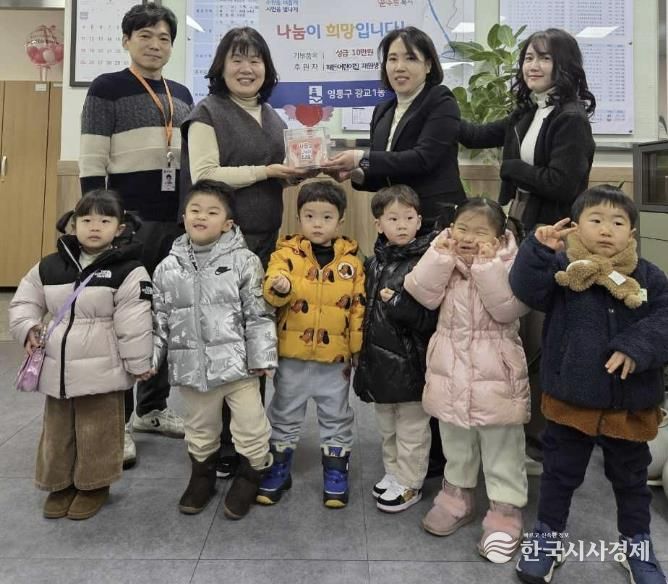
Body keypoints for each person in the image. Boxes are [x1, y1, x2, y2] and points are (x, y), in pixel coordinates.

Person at [511, 186, 668, 584]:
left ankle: (636, 545)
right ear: (577, 227)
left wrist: (636, 347)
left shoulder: (649, 276)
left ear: (631, 233)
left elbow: (665, 319)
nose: (606, 229)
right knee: (559, 474)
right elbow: (526, 290)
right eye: (595, 220)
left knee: (631, 480)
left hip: (629, 403)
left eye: (617, 222)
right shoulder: (564, 271)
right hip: (570, 399)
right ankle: (548, 537)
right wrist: (537, 251)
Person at [458, 28, 597, 473]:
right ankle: (515, 430)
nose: (532, 66)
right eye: (528, 58)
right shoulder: (527, 111)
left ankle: (540, 439)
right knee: (516, 330)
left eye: (543, 58)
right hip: (520, 226)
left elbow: (564, 184)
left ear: (564, 65)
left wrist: (513, 168)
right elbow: (474, 134)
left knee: (538, 336)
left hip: (552, 236)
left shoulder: (570, 118)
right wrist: (434, 105)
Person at [180, 26, 308, 479]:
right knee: (219, 342)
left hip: (264, 243)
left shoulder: (273, 117)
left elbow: (272, 174)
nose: (246, 68)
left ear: (267, 69)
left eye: (255, 60)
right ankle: (217, 444)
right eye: (237, 59)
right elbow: (205, 174)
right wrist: (267, 171)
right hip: (219, 247)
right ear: (221, 66)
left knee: (255, 338)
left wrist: (293, 174)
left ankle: (248, 437)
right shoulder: (206, 113)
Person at [79, 2, 194, 467]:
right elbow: (92, 161)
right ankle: (119, 422)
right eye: (145, 35)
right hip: (129, 225)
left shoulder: (181, 93)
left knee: (163, 316)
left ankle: (152, 409)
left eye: (164, 37)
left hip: (176, 223)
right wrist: (99, 225)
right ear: (127, 40)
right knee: (123, 321)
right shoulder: (106, 88)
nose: (155, 44)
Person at [9, 190, 153, 520]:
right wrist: (28, 328)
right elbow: (25, 301)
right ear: (73, 225)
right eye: (86, 220)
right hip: (57, 367)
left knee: (98, 429)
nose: (94, 226)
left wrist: (139, 364)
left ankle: (94, 485)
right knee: (57, 430)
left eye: (104, 220)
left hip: (103, 368)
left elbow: (134, 322)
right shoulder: (50, 265)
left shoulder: (129, 270)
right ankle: (58, 483)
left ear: (119, 228)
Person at [404, 198, 530, 562]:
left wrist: (487, 266)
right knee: (455, 437)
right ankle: (455, 497)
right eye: (462, 229)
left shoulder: (512, 261)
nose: (469, 238)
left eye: (480, 232)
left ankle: (505, 511)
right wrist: (441, 255)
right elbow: (420, 292)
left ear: (500, 237)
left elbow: (507, 309)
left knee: (501, 444)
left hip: (496, 369)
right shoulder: (445, 256)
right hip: (450, 366)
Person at [149, 180, 277, 520]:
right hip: (192, 369)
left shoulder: (244, 261)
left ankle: (251, 474)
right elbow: (159, 320)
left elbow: (259, 313)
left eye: (211, 212)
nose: (201, 216)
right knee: (200, 428)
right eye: (195, 210)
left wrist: (263, 356)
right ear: (184, 217)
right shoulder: (167, 268)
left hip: (239, 368)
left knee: (251, 427)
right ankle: (201, 475)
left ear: (227, 223)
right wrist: (150, 360)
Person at [256, 180, 365, 508]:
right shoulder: (285, 255)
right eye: (310, 216)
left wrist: (356, 350)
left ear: (340, 220)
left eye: (326, 217)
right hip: (292, 356)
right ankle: (278, 468)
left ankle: (336, 472)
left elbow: (358, 310)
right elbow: (271, 291)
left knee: (336, 415)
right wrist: (280, 286)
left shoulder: (352, 263)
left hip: (334, 361)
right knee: (284, 413)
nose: (318, 224)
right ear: (298, 218)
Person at [322, 26, 466, 232]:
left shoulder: (441, 101)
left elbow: (422, 159)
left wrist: (359, 158)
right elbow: (385, 172)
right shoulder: (383, 110)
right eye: (392, 59)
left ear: (428, 65)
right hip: (394, 223)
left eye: (410, 58)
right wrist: (352, 173)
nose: (399, 67)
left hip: (435, 221)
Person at [353, 185, 438, 513]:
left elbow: (431, 317)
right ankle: (393, 473)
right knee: (387, 425)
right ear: (378, 224)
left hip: (412, 364)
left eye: (408, 217)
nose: (402, 225)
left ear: (419, 220)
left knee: (412, 429)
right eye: (393, 218)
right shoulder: (375, 262)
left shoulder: (427, 262)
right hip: (379, 363)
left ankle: (410, 483)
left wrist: (399, 305)